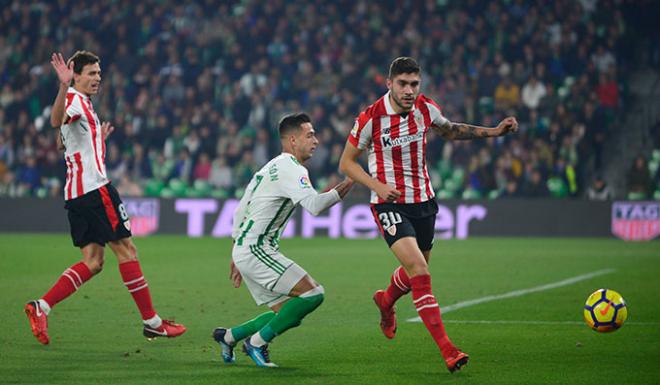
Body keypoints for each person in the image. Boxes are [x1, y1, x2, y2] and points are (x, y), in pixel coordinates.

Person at [339, 57, 518, 373]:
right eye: (403, 84)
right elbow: (347, 163)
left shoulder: (425, 108)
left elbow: (451, 131)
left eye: (414, 84)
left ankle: (386, 300)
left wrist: (493, 132)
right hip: (389, 204)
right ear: (389, 83)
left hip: (424, 201)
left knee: (413, 274)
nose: (409, 91)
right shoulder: (371, 117)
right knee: (420, 271)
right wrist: (377, 186)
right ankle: (448, 350)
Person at [24, 51, 186, 345]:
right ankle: (152, 323)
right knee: (127, 250)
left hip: (76, 195)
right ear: (76, 75)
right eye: (91, 73)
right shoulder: (72, 98)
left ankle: (41, 306)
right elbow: (55, 120)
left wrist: (98, 140)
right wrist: (62, 86)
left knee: (94, 262)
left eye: (99, 73)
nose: (98, 78)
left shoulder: (84, 105)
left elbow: (63, 141)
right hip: (95, 190)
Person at [212, 113, 353, 367]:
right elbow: (314, 206)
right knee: (313, 294)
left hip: (247, 248)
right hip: (257, 249)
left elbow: (241, 208)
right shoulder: (291, 168)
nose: (316, 141)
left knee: (287, 313)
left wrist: (236, 252)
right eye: (309, 135)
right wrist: (350, 182)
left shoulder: (271, 166)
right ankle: (256, 342)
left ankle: (229, 336)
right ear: (292, 139)